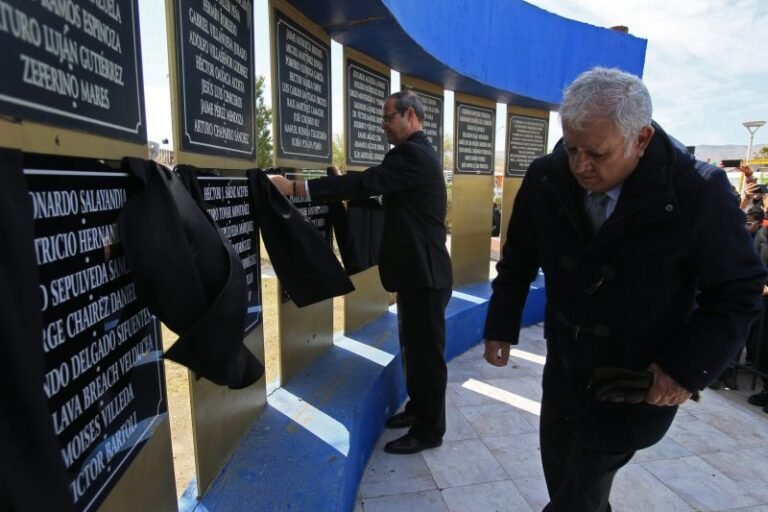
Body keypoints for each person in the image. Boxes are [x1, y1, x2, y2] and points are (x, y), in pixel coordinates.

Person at [482, 67, 765, 511]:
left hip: (636, 378)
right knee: (566, 480)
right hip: (566, 370)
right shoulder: (545, 178)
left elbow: (738, 289)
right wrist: (501, 324)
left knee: (580, 490)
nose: (580, 166)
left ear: (642, 139)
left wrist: (684, 371)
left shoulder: (695, 191)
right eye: (571, 149)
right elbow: (518, 261)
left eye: (596, 153)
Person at [270, 90, 453, 454]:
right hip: (417, 274)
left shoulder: (413, 155)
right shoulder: (412, 156)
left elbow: (368, 182)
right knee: (414, 350)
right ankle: (419, 411)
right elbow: (373, 182)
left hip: (425, 276)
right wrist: (341, 180)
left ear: (410, 115)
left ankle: (430, 430)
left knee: (426, 355)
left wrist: (295, 188)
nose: (384, 126)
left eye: (388, 118)